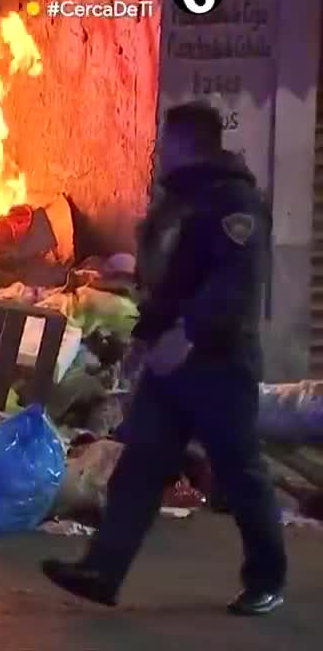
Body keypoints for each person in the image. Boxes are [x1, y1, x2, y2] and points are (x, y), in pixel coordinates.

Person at [41, 101, 287, 616]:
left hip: (218, 361)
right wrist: (145, 336)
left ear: (189, 144)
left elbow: (235, 284)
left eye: (166, 140)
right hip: (170, 360)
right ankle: (102, 571)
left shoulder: (232, 202)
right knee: (140, 464)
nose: (159, 150)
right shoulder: (179, 201)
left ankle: (267, 579)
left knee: (238, 470)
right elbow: (169, 282)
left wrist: (189, 334)